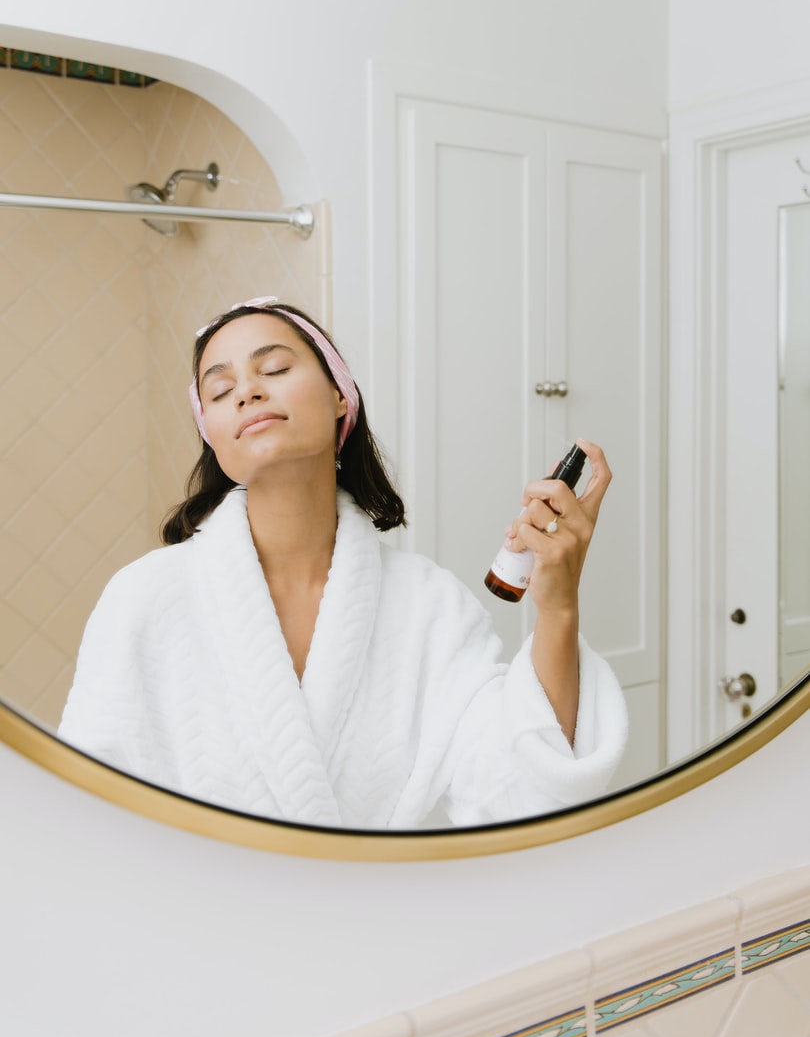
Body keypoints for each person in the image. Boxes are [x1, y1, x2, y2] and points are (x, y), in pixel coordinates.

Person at [59, 296, 627, 829]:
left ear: (340, 396)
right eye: (220, 388)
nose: (247, 392)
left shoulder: (430, 607)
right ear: (211, 434)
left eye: (275, 369)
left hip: (373, 925)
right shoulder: (144, 598)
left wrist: (557, 606)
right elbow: (87, 818)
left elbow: (519, 794)